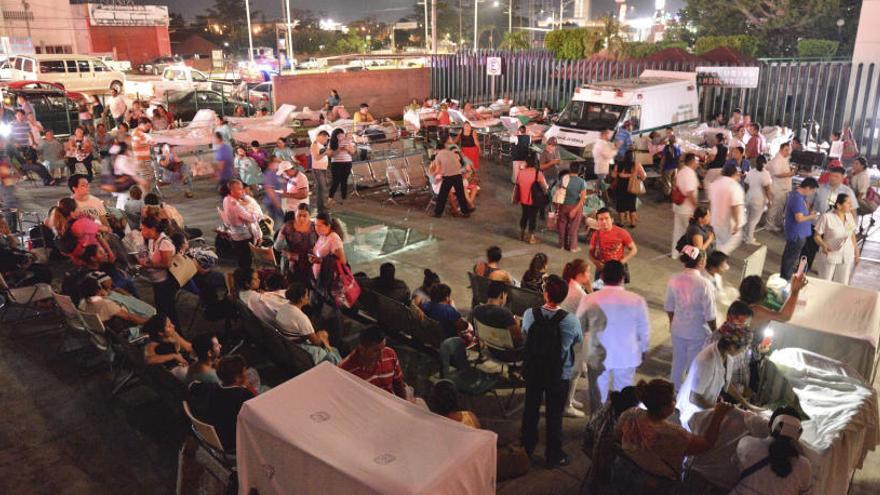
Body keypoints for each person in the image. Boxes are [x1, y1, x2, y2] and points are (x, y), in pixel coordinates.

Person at [614, 379, 732, 493]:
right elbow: (706, 444)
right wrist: (718, 414)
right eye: (673, 399)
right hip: (652, 486)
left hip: (623, 473)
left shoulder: (631, 414)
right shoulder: (672, 434)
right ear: (664, 409)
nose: (675, 401)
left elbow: (618, 436)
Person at [520, 275, 582, 467]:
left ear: (545, 293)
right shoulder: (571, 321)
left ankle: (526, 448)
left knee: (530, 410)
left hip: (534, 371)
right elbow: (577, 341)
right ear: (563, 297)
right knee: (554, 416)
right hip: (559, 374)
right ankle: (554, 455)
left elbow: (525, 335)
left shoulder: (530, 314)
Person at [676, 302, 760, 431]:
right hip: (692, 412)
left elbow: (726, 383)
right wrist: (720, 411)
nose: (743, 352)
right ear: (732, 346)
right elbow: (694, 397)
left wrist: (747, 404)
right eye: (743, 348)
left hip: (707, 407)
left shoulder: (727, 356)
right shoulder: (707, 360)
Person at [579, 260, 649, 410]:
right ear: (623, 277)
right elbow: (644, 330)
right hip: (626, 356)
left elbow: (579, 327)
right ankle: (622, 428)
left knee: (598, 398)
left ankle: (597, 427)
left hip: (597, 356)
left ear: (602, 277)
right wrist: (643, 349)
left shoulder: (589, 299)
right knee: (624, 396)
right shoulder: (637, 300)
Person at [665, 246, 717, 391]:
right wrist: (715, 332)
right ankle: (687, 395)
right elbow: (710, 314)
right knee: (693, 365)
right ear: (701, 262)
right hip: (697, 332)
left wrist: (673, 323)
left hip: (678, 329)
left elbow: (669, 307)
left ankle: (673, 393)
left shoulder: (674, 278)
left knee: (677, 363)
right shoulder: (705, 283)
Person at [732, 406, 813, 494]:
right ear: (798, 433)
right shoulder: (803, 466)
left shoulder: (747, 444)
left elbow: (734, 465)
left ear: (770, 425)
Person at [189, 355, 255, 451]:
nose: (246, 374)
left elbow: (192, 385)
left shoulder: (212, 388)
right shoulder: (244, 396)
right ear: (237, 377)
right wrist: (246, 387)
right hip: (233, 442)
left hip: (214, 435)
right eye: (244, 371)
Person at [339, 325, 408, 399]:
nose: (381, 354)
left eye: (383, 348)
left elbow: (398, 384)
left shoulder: (390, 354)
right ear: (362, 349)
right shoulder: (345, 370)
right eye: (376, 350)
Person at [275, 283, 339, 362]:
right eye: (307, 295)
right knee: (332, 351)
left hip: (289, 343)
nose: (308, 297)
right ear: (302, 298)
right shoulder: (301, 318)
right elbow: (316, 342)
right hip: (299, 348)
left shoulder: (284, 308)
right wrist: (324, 338)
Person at [138, 216, 179, 325]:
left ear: (152, 229)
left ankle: (176, 334)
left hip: (165, 282)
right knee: (161, 310)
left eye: (143, 228)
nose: (141, 231)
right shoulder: (152, 240)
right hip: (157, 281)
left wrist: (148, 265)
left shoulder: (164, 243)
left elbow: (167, 264)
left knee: (168, 312)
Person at [813, 193, 859, 283]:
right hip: (830, 254)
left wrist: (856, 252)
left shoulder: (849, 216)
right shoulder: (826, 217)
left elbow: (852, 235)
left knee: (843, 282)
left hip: (847, 255)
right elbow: (816, 236)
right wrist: (823, 245)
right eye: (848, 203)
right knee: (825, 281)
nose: (851, 205)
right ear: (838, 205)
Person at [780, 177, 819, 280]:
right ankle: (785, 278)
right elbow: (799, 218)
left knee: (790, 257)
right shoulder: (797, 198)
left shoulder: (799, 196)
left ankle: (785, 276)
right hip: (796, 234)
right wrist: (812, 216)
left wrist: (809, 213)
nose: (811, 193)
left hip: (798, 233)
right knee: (790, 258)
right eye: (812, 191)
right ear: (807, 188)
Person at [222, 179, 262, 269]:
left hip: (236, 235)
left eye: (242, 188)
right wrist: (257, 212)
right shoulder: (235, 205)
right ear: (232, 191)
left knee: (242, 261)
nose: (243, 191)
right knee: (246, 262)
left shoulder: (226, 199)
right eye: (239, 189)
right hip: (243, 237)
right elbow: (251, 218)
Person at [78, 277, 148, 328]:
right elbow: (130, 317)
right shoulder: (106, 304)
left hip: (102, 333)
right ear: (98, 289)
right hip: (124, 331)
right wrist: (151, 323)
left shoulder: (82, 303)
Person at [589, 208, 637, 281]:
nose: (604, 221)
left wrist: (621, 262)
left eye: (606, 218)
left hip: (617, 268)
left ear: (612, 220)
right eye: (601, 219)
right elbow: (590, 252)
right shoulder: (596, 235)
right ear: (597, 221)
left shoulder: (622, 233)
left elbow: (633, 249)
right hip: (602, 267)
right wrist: (596, 263)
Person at [708, 164, 746, 254]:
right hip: (729, 223)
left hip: (716, 220)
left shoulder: (715, 183)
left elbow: (711, 202)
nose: (739, 175)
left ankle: (720, 262)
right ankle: (716, 261)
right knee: (729, 244)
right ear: (734, 173)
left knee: (720, 243)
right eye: (738, 173)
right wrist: (737, 223)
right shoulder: (734, 186)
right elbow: (735, 205)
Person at [472, 281, 523, 346]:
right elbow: (519, 339)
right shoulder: (505, 314)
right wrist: (517, 325)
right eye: (506, 296)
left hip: (489, 347)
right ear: (502, 295)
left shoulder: (477, 310)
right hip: (507, 352)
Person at [274, 205, 317, 284]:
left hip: (310, 262)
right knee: (293, 287)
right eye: (299, 215)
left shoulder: (315, 227)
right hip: (292, 263)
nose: (301, 218)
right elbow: (277, 246)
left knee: (310, 286)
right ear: (295, 215)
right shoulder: (287, 226)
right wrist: (287, 251)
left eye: (304, 216)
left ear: (309, 216)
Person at [143, 315, 193, 380]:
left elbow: (188, 347)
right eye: (169, 326)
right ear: (161, 333)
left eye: (171, 323)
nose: (173, 326)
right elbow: (149, 360)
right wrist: (174, 356)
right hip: (169, 373)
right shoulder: (153, 343)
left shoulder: (172, 334)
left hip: (180, 365)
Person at [430, 141, 472, 218]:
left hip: (449, 176)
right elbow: (459, 164)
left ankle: (437, 213)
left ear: (437, 149)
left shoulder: (438, 156)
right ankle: (465, 212)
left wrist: (433, 175)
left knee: (442, 195)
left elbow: (438, 169)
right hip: (458, 175)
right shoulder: (451, 153)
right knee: (461, 194)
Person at [671, 153, 700, 257]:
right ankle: (690, 256)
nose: (698, 163)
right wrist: (696, 208)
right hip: (687, 209)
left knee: (678, 231)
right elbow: (690, 192)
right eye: (697, 161)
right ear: (692, 161)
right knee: (691, 233)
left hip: (678, 207)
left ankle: (675, 253)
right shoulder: (690, 173)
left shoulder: (681, 171)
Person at [554, 162, 588, 252]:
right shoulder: (582, 182)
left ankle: (561, 245)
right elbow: (582, 198)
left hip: (563, 206)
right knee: (574, 227)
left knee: (562, 225)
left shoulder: (564, 179)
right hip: (575, 206)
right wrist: (575, 210)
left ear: (570, 169)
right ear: (579, 171)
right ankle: (573, 247)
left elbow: (558, 191)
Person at [514, 155, 546, 244]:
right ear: (535, 163)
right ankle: (531, 238)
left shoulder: (521, 172)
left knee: (524, 215)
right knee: (533, 217)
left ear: (527, 163)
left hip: (523, 198)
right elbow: (544, 187)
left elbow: (517, 184)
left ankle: (521, 234)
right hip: (534, 199)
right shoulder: (538, 173)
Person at [612, 150, 646, 228]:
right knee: (632, 204)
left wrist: (619, 174)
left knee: (621, 205)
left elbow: (613, 175)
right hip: (632, 187)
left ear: (624, 156)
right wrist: (636, 177)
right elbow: (643, 176)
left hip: (621, 186)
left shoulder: (619, 164)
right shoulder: (637, 164)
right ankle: (633, 223)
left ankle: (621, 223)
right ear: (633, 156)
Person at [743, 155, 773, 245]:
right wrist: (770, 200)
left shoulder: (751, 171)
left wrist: (746, 194)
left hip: (749, 197)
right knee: (754, 220)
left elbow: (746, 184)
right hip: (759, 199)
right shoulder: (765, 174)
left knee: (748, 218)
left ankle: (744, 236)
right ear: (765, 163)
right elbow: (767, 188)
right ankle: (749, 239)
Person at [766, 142, 795, 231]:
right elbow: (777, 174)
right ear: (781, 150)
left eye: (789, 150)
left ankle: (777, 222)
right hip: (777, 187)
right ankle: (769, 224)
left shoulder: (784, 159)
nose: (788, 152)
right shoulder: (777, 160)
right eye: (786, 150)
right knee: (774, 207)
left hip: (784, 188)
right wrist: (790, 174)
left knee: (780, 207)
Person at [328, 128, 355, 204]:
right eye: (339, 135)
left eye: (342, 135)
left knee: (344, 180)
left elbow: (353, 152)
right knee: (336, 181)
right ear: (335, 136)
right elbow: (330, 155)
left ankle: (344, 197)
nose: (341, 136)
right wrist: (338, 149)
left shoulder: (348, 141)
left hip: (347, 162)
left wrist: (348, 149)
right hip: (336, 163)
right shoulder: (332, 142)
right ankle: (330, 197)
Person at [310, 130, 331, 213]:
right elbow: (316, 157)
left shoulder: (321, 145)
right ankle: (321, 207)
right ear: (321, 136)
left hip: (322, 168)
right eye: (325, 139)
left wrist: (327, 152)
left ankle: (322, 206)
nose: (326, 141)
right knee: (321, 188)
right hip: (318, 169)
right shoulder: (314, 144)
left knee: (322, 188)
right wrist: (325, 153)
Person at [591, 129, 616, 198]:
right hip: (602, 167)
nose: (609, 136)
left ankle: (600, 198)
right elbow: (608, 155)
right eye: (607, 134)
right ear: (604, 135)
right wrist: (615, 149)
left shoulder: (598, 143)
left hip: (599, 166)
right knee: (602, 184)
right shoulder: (602, 144)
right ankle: (604, 200)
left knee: (600, 183)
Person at [261, 157, 284, 225]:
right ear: (271, 163)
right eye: (277, 162)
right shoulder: (269, 174)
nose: (279, 164)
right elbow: (270, 190)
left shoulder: (276, 173)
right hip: (273, 203)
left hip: (278, 202)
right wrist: (277, 204)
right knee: (277, 223)